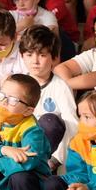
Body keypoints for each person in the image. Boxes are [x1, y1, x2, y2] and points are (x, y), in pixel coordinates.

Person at [18, 25, 74, 170]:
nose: (35, 61)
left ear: (54, 58)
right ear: (22, 55)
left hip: (50, 154)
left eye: (42, 55)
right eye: (29, 55)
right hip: (20, 148)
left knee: (49, 121)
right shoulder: (17, 84)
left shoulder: (61, 86)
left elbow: (72, 125)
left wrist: (56, 159)